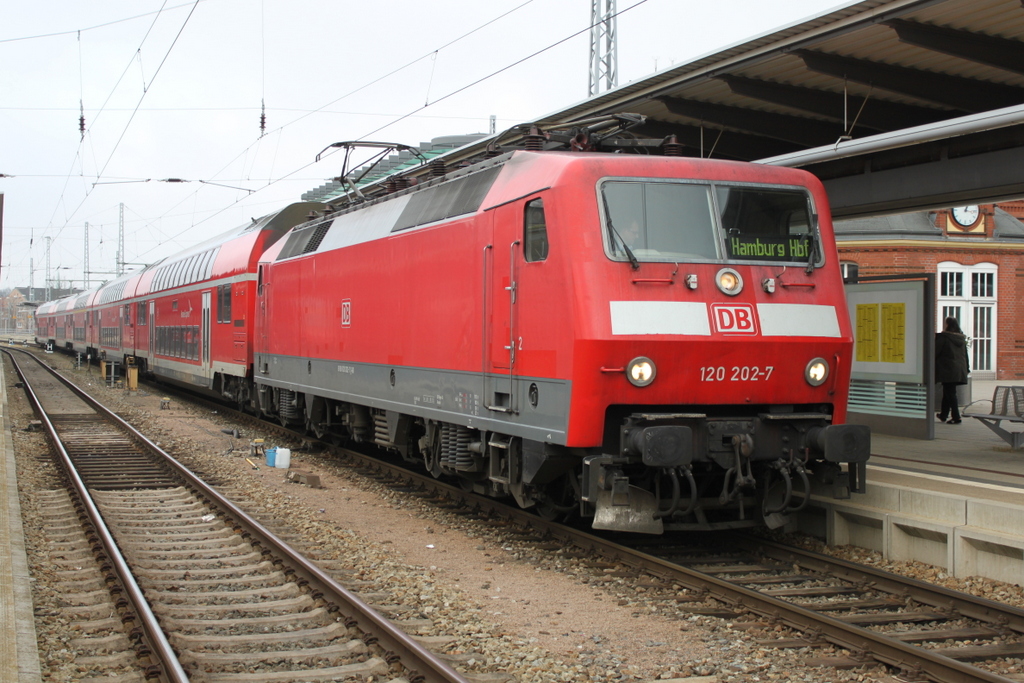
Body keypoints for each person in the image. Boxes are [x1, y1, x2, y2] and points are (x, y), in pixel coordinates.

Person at [935, 316, 970, 424]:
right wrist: (967, 368)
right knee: (948, 391)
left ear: (947, 325)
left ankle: (956, 417)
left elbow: (935, 352)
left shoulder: (944, 337)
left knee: (950, 393)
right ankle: (943, 415)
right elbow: (965, 355)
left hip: (947, 369)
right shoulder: (961, 338)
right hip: (958, 369)